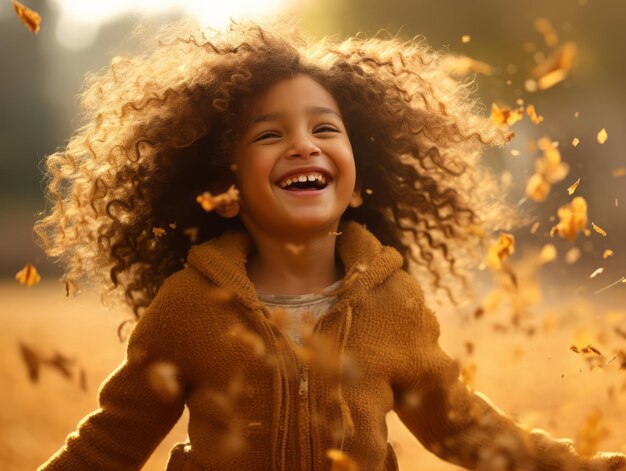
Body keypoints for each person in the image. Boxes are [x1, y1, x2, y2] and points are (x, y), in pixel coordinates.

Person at [35, 19, 625, 471]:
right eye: (270, 134)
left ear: (358, 175)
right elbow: (110, 442)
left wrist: (581, 466)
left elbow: (465, 427)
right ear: (225, 188)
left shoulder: (394, 304)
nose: (303, 145)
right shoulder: (189, 306)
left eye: (324, 129)